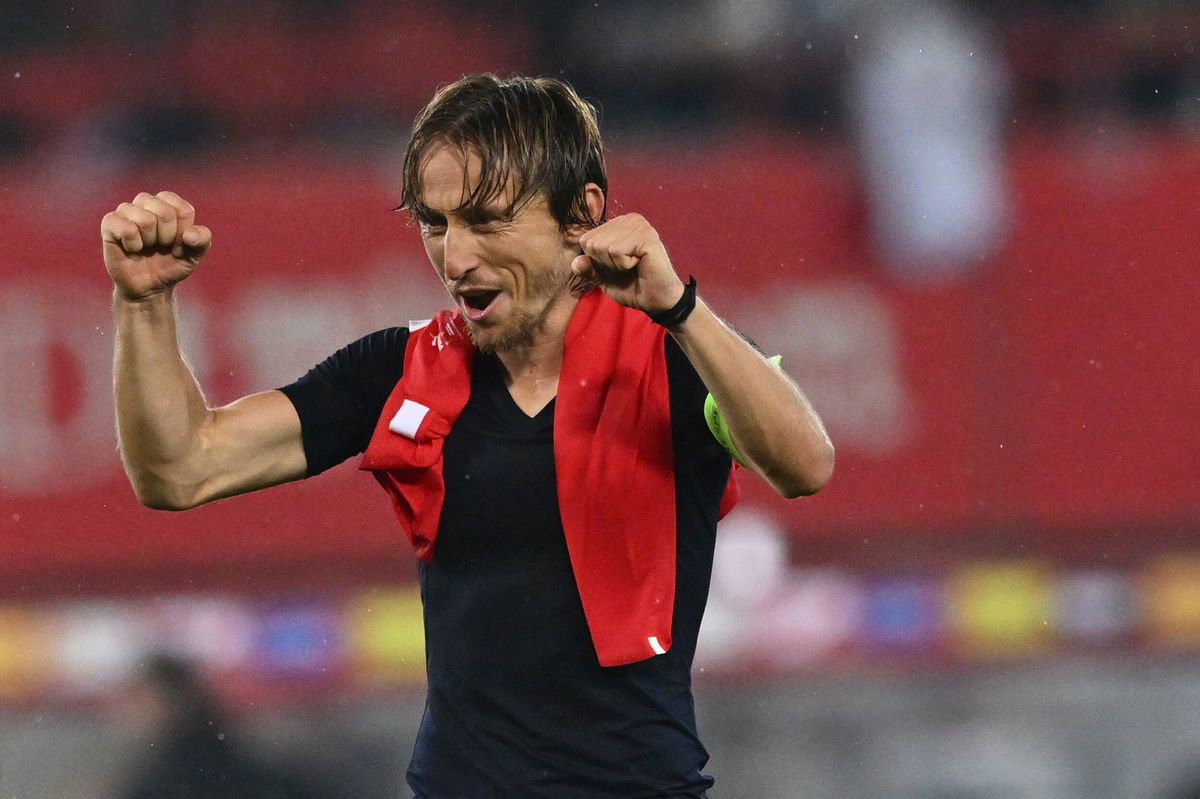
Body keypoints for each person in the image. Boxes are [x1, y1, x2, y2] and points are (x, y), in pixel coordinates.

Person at [101, 73, 834, 799]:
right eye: (435, 222)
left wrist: (679, 307)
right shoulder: (398, 370)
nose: (454, 258)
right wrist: (144, 304)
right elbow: (180, 469)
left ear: (582, 211)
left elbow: (805, 463)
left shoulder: (670, 355)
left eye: (486, 220)